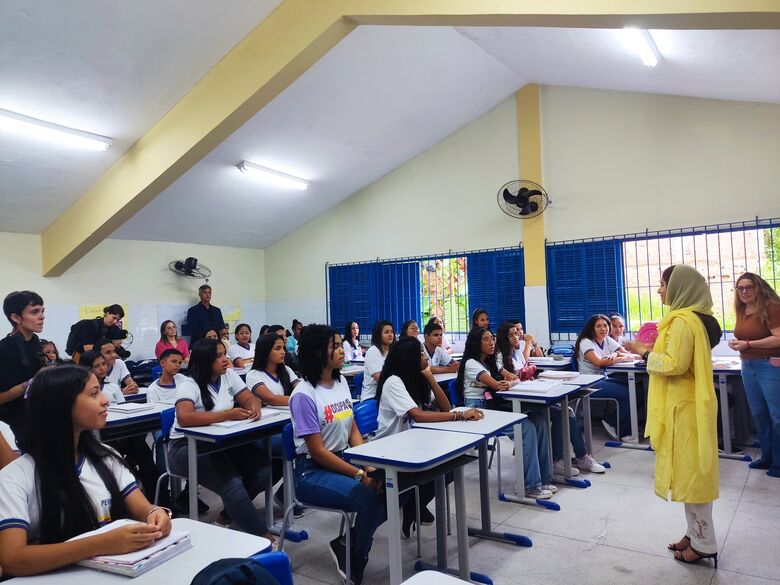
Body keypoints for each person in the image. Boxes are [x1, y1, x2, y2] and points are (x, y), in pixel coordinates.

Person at [0, 365, 172, 577]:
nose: (105, 399)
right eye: (94, 393)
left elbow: (142, 508)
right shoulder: (15, 478)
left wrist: (154, 514)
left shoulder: (106, 457)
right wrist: (101, 543)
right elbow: (13, 559)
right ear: (61, 406)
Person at [624, 264, 721, 567]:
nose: (659, 290)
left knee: (694, 476)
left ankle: (705, 543)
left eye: (663, 284)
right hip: (684, 405)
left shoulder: (682, 321)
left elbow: (675, 365)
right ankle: (693, 534)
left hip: (685, 408)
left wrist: (642, 352)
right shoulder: (693, 319)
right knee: (686, 475)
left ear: (678, 287)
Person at [289, 324, 386, 585]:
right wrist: (358, 474)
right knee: (370, 499)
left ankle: (347, 544)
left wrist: (365, 463)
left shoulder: (340, 380)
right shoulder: (304, 395)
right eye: (335, 346)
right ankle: (356, 554)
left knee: (389, 488)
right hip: (312, 471)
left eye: (341, 344)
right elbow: (318, 452)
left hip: (344, 458)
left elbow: (352, 427)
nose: (341, 349)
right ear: (318, 351)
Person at [169, 339, 275, 542]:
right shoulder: (188, 383)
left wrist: (255, 407)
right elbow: (184, 417)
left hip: (222, 442)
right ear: (205, 360)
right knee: (231, 483)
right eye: (218, 356)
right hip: (186, 447)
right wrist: (227, 415)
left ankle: (226, 516)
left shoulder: (228, 375)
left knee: (262, 469)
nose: (225, 360)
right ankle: (265, 539)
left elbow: (249, 398)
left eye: (224, 354)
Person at [375, 336, 482, 535]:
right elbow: (418, 415)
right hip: (390, 448)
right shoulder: (393, 382)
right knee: (441, 468)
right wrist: (459, 416)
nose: (426, 357)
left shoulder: (415, 378)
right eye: (421, 354)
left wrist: (431, 378)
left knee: (450, 467)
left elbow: (445, 407)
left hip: (413, 443)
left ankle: (413, 505)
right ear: (409, 359)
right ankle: (411, 503)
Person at [456, 327, 555, 499]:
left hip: (491, 405)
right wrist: (510, 382)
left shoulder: (489, 361)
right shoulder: (471, 363)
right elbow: (498, 385)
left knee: (539, 420)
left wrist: (512, 380)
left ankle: (543, 479)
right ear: (476, 343)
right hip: (478, 411)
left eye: (492, 338)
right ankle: (529, 486)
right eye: (486, 339)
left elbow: (512, 378)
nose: (492, 342)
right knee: (526, 427)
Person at [496, 322, 605, 475]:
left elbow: (529, 366)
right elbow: (511, 377)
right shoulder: (500, 356)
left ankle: (579, 457)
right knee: (561, 413)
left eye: (517, 333)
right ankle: (558, 461)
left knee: (566, 411)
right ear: (503, 338)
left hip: (531, 393)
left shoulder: (517, 351)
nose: (516, 337)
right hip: (517, 401)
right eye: (512, 334)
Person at [80, 351, 161, 498]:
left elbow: (124, 410)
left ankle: (157, 497)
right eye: (96, 366)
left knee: (143, 451)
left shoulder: (112, 387)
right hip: (100, 437)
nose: (102, 368)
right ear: (87, 369)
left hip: (122, 433)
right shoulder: (82, 392)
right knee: (113, 456)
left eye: (103, 364)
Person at [728, 272, 780, 476]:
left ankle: (779, 462)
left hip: (769, 365)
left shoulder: (771, 306)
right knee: (759, 414)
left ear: (759, 287)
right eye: (740, 288)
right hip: (748, 365)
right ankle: (767, 457)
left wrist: (748, 344)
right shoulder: (742, 309)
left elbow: (778, 338)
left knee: (777, 415)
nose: (744, 292)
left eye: (749, 287)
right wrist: (738, 344)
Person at [575, 314, 635, 440]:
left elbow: (627, 353)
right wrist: (622, 357)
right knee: (628, 394)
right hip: (589, 382)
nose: (603, 329)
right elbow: (599, 362)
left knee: (637, 389)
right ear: (591, 328)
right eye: (598, 326)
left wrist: (645, 356)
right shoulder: (586, 341)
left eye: (605, 325)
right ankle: (622, 432)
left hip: (602, 378)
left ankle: (611, 421)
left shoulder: (607, 339)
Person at [0, 291, 45, 437]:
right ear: (16, 317)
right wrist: (33, 381)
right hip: (11, 426)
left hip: (35, 418)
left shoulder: (35, 341)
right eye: (34, 312)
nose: (42, 316)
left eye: (42, 311)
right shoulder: (4, 349)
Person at [360, 320, 395, 401]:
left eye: (392, 332)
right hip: (373, 396)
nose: (390, 335)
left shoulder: (393, 351)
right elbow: (379, 378)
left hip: (389, 393)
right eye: (386, 332)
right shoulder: (373, 351)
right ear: (379, 335)